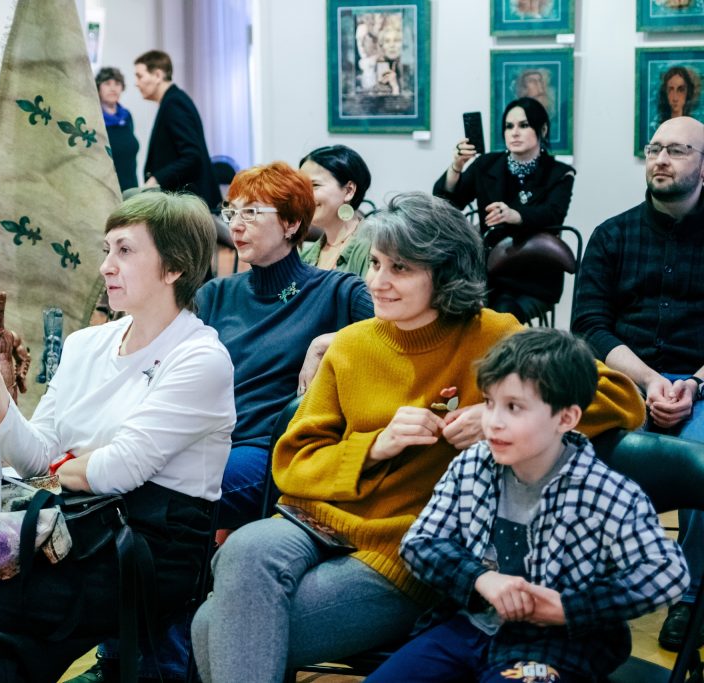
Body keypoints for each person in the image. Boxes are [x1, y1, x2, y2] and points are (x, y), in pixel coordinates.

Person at [190, 192, 645, 683]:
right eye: (376, 264)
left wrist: (498, 413)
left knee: (209, 625)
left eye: (400, 269)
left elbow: (620, 396)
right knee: (243, 549)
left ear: (445, 274)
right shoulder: (352, 344)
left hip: (406, 549)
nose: (377, 282)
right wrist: (373, 447)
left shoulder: (493, 336)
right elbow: (293, 463)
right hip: (314, 521)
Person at [0, 191, 235, 683]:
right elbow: (36, 458)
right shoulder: (86, 344)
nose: (106, 266)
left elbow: (119, 470)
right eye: (106, 249)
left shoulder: (200, 358)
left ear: (174, 267)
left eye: (125, 251)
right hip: (68, 524)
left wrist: (62, 470)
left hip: (146, 547)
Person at [78, 162, 372, 682]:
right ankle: (132, 656)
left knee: (155, 504)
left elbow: (394, 331)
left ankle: (156, 665)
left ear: (291, 223)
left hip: (265, 451)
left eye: (252, 212)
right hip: (201, 441)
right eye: (231, 211)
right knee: (122, 495)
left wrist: (330, 341)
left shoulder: (336, 291)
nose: (236, 223)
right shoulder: (217, 295)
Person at [365, 328, 688, 682]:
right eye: (489, 403)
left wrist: (568, 608)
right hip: (469, 626)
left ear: (566, 418)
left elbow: (666, 572)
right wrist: (481, 579)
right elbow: (420, 542)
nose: (493, 422)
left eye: (514, 408)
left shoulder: (605, 491)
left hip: (558, 643)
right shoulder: (472, 463)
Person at [572, 115, 704, 653]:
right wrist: (650, 380)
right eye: (654, 149)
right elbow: (589, 324)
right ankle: (582, 587)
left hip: (700, 381)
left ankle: (690, 596)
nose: (661, 159)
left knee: (702, 458)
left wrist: (692, 385)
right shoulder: (612, 235)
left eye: (677, 150)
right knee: (566, 447)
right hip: (626, 378)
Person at [433, 96, 576, 320]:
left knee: (500, 315)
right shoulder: (486, 165)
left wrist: (514, 215)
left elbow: (553, 214)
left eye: (524, 125)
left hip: (534, 276)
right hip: (487, 272)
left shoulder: (558, 173)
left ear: (543, 129)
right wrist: (456, 166)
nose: (514, 133)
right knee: (449, 303)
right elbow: (448, 203)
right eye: (509, 126)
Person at [134, 50, 222, 211]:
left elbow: (192, 156)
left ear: (158, 75)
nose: (136, 83)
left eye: (140, 76)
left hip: (190, 207)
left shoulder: (174, 104)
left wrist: (156, 179)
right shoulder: (172, 101)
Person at [298, 144, 373, 276]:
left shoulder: (374, 250)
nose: (302, 195)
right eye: (300, 187)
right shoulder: (304, 258)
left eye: (314, 185)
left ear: (349, 191)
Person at [97, 67, 139, 193]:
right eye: (107, 83)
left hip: (131, 189)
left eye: (117, 83)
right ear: (98, 88)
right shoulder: (95, 118)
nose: (113, 88)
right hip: (106, 191)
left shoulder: (127, 116)